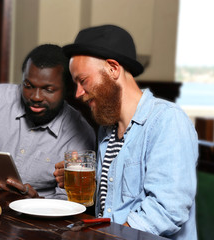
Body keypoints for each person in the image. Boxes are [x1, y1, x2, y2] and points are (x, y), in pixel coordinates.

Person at [53, 25, 198, 240]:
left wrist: (107, 237)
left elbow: (168, 210)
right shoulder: (107, 130)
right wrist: (86, 183)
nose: (78, 94)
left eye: (83, 81)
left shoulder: (167, 120)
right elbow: (114, 204)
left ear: (113, 68)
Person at [0, 44, 96, 199]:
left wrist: (34, 202)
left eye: (48, 89)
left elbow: (70, 204)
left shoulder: (79, 132)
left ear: (67, 90)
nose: (36, 97)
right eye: (28, 85)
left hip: (35, 221)